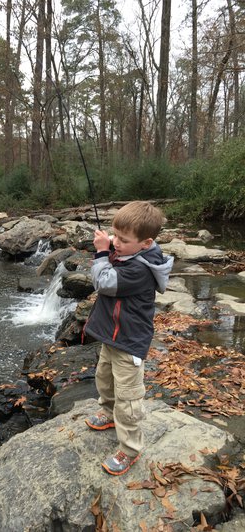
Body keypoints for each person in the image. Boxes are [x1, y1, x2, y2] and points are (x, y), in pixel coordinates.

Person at [84, 201, 174, 475]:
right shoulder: (131, 253)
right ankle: (108, 413)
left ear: (146, 243)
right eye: (114, 235)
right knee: (105, 378)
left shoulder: (141, 270)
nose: (115, 242)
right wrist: (112, 246)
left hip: (129, 341)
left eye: (123, 239)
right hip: (113, 336)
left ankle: (130, 448)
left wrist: (102, 252)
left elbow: (104, 283)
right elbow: (118, 257)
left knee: (129, 398)